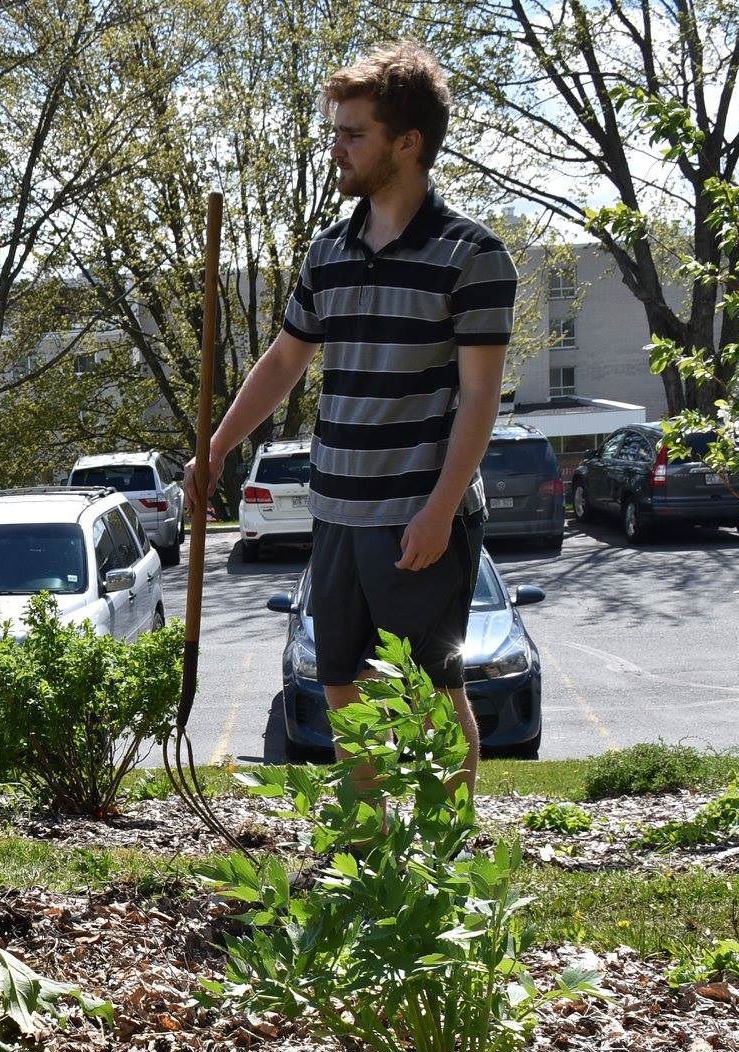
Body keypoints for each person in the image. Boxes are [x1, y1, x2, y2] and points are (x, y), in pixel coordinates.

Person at [187, 41, 516, 791]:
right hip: (338, 508)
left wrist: (437, 511)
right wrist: (215, 447)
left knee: (433, 693)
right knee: (341, 681)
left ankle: (440, 851)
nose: (336, 148)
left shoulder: (473, 255)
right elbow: (282, 361)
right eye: (334, 130)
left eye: (353, 133)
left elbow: (479, 397)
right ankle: (368, 850)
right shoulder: (328, 251)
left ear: (409, 143)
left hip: (420, 516)